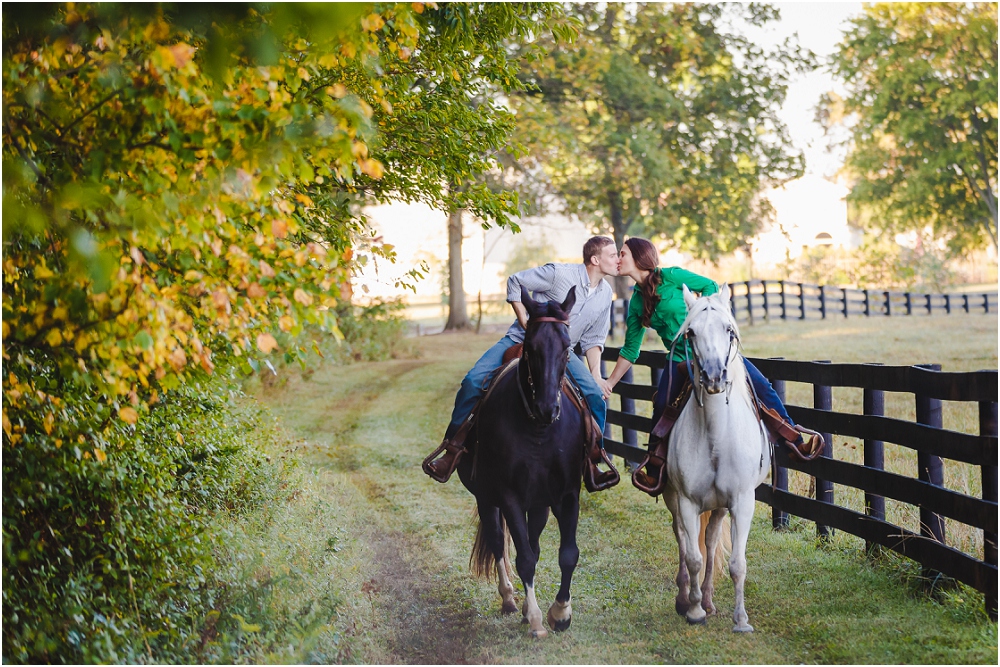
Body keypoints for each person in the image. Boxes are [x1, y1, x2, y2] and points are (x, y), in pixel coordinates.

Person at [604, 237, 824, 496]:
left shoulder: (672, 276)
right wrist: (609, 383)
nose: (618, 258)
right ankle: (655, 470)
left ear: (639, 258)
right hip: (679, 360)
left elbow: (709, 286)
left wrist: (705, 320)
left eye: (622, 253)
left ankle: (795, 442)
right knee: (662, 405)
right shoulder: (637, 303)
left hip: (711, 352)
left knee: (761, 386)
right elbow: (631, 350)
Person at [423, 236, 620, 483]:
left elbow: (593, 339)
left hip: (561, 352)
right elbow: (516, 281)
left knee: (595, 397)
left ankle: (592, 461)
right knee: (473, 382)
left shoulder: (605, 294)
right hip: (519, 340)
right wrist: (525, 320)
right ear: (595, 259)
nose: (618, 260)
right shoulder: (558, 274)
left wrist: (596, 375)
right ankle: (451, 451)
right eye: (613, 255)